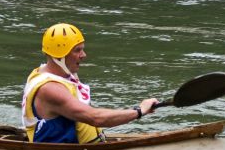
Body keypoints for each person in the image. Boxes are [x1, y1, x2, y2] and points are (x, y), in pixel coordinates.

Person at [21, 23, 159, 143]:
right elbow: (95, 118)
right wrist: (139, 111)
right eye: (77, 50)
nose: (84, 55)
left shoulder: (57, 72)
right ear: (60, 56)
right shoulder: (50, 89)